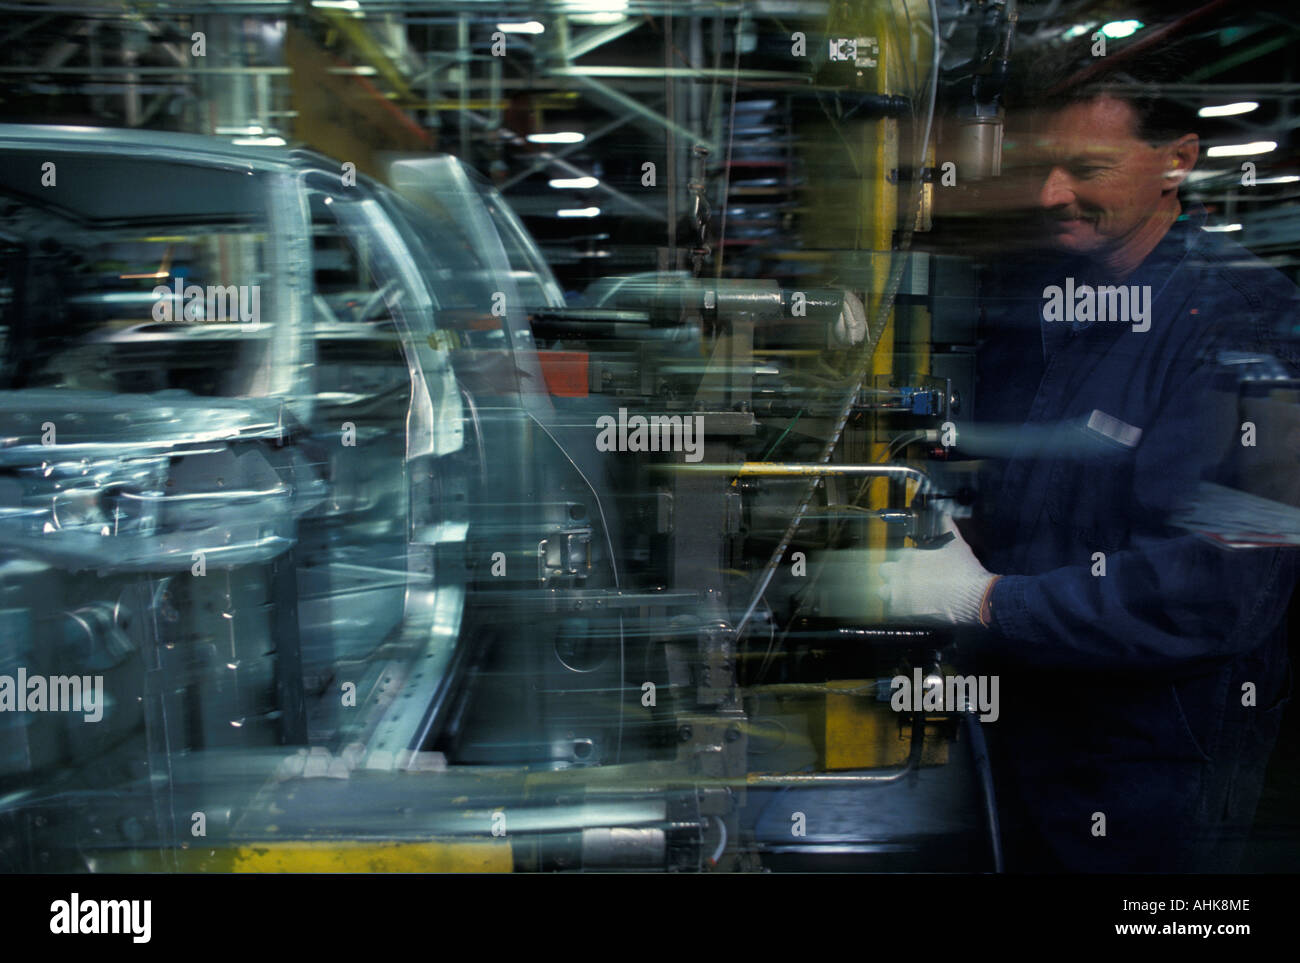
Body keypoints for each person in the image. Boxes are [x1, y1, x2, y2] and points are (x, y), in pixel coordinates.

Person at [875, 50, 1300, 871]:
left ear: (1178, 160)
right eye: (1041, 167)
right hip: (1039, 723)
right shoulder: (1065, 300)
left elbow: (1224, 589)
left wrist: (989, 602)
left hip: (1156, 751)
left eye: (1087, 168)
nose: (1050, 195)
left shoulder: (1257, 325)